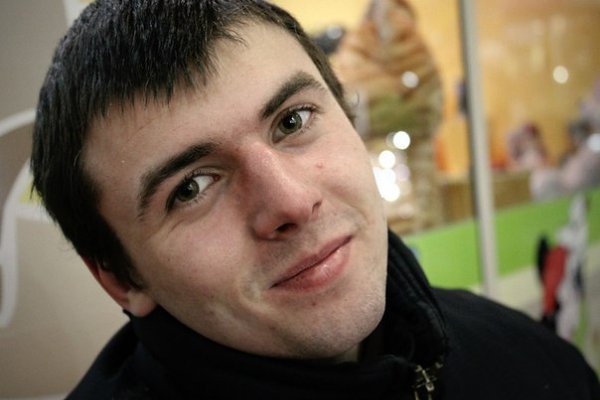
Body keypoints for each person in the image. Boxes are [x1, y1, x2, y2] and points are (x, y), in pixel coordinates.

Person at [31, 1, 599, 399]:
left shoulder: (530, 360)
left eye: (292, 121)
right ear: (120, 279)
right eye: (191, 188)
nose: (293, 203)